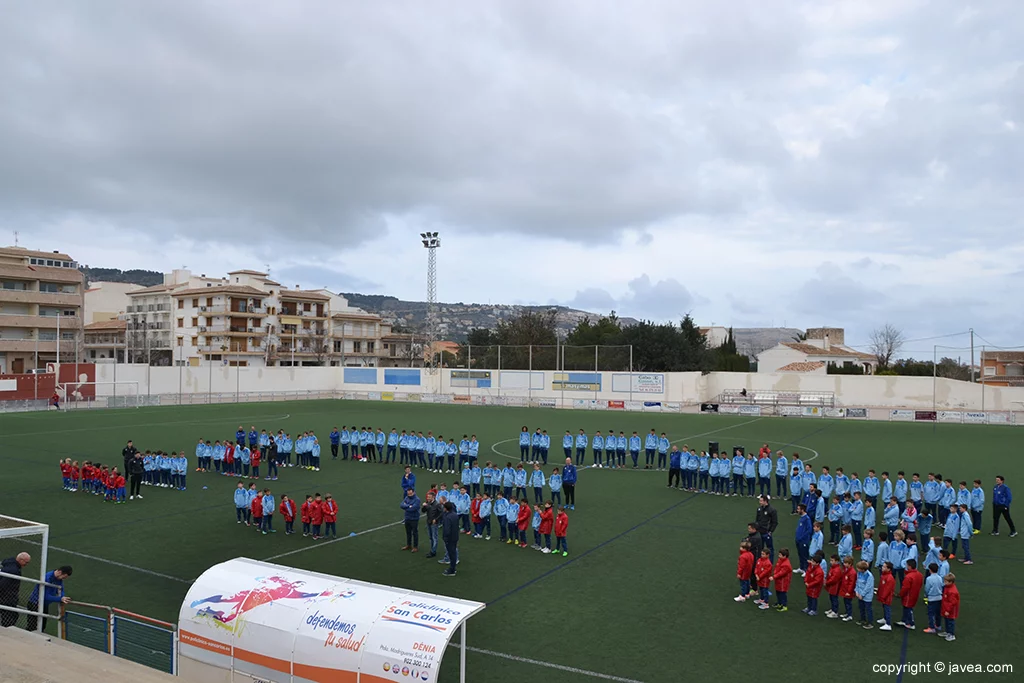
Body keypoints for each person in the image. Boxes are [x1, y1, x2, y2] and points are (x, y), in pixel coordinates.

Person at [26, 566, 72, 632]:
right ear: (59, 572)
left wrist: (63, 597)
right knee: (32, 625)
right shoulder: (47, 578)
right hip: (35, 603)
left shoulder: (59, 579)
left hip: (44, 604)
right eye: (63, 577)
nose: (63, 579)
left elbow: (61, 589)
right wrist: (60, 599)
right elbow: (45, 596)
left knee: (42, 625)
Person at [0, 552, 31, 628]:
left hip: (5, 597)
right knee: (11, 616)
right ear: (21, 560)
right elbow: (3, 584)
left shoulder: (8, 564)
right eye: (26, 562)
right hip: (7, 597)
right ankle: (7, 632)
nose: (26, 564)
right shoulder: (14, 570)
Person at [897, 558, 922, 630]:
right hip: (915, 594)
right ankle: (904, 620)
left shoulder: (908, 577)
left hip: (908, 595)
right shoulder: (919, 574)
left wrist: (900, 594)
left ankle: (911, 623)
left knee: (908, 608)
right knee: (906, 608)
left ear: (909, 566)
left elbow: (905, 588)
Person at [756, 495, 778, 562]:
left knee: (770, 548)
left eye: (761, 501)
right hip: (759, 532)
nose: (759, 502)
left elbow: (775, 522)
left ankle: (770, 562)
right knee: (760, 547)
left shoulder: (772, 510)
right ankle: (760, 562)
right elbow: (757, 520)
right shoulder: (759, 509)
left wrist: (770, 531)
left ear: (765, 501)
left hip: (766, 532)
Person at [422, 491, 443, 557]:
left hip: (434, 523)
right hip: (428, 521)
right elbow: (423, 511)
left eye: (429, 497)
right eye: (428, 497)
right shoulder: (428, 503)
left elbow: (441, 513)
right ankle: (432, 550)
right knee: (430, 537)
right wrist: (424, 506)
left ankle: (433, 551)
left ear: (433, 497)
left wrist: (436, 519)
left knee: (434, 537)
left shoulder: (437, 504)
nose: (428, 498)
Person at [939, 573, 959, 641]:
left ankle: (951, 634)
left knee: (950, 622)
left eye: (946, 581)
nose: (944, 582)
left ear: (951, 582)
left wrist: (947, 610)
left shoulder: (952, 591)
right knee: (947, 621)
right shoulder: (947, 587)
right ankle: (947, 632)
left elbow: (952, 603)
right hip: (946, 608)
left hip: (950, 610)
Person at [855, 560, 875, 629]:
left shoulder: (869, 576)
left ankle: (870, 623)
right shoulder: (859, 573)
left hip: (867, 596)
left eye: (858, 568)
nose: (857, 569)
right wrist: (856, 591)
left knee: (868, 609)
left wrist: (862, 595)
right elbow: (857, 582)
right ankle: (863, 619)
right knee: (861, 608)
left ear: (863, 569)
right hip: (860, 594)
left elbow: (868, 587)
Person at [441, 502, 459, 576]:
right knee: (453, 552)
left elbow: (447, 530)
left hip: (449, 538)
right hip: (455, 536)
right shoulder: (455, 515)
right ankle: (453, 568)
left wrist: (445, 537)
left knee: (451, 554)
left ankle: (452, 569)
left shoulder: (447, 517)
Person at [876, 561, 895, 631]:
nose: (882, 568)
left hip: (887, 597)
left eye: (884, 567)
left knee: (887, 609)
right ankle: (885, 619)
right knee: (884, 607)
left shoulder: (889, 578)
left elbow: (887, 589)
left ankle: (888, 624)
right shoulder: (884, 575)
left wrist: (883, 597)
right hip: (883, 596)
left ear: (889, 569)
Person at [794, 504, 812, 574]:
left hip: (803, 541)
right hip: (798, 540)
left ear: (802, 510)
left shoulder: (807, 519)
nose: (797, 510)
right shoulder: (801, 517)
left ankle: (806, 569)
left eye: (798, 509)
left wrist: (802, 537)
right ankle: (801, 568)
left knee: (805, 555)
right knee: (800, 554)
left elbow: (809, 530)